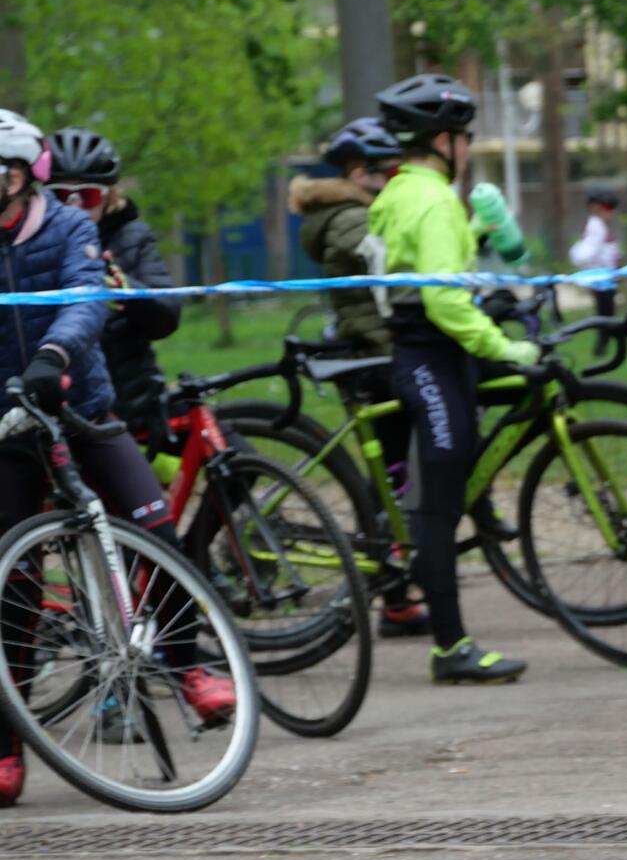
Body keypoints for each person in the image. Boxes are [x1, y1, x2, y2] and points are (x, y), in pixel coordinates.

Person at [0, 109, 234, 806]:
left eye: (1, 172)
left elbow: (86, 298)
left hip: (84, 408)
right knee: (14, 583)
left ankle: (188, 669)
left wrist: (54, 355)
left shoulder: (69, 225)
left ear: (28, 175)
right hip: (7, 424)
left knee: (155, 532)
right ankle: (6, 742)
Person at [369, 73, 538, 685]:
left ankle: (478, 504)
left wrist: (478, 234)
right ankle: (450, 648)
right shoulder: (436, 199)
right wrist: (503, 346)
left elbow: (430, 262)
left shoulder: (401, 190)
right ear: (444, 141)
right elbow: (443, 300)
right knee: (437, 509)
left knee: (457, 473)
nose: (468, 148)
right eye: (464, 137)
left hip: (421, 348)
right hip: (431, 354)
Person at [290, 116, 431, 639]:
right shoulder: (351, 215)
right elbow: (389, 266)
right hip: (376, 353)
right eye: (386, 171)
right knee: (391, 475)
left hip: (378, 348)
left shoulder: (350, 210)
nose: (394, 179)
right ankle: (390, 586)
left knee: (394, 471)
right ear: (357, 172)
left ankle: (396, 589)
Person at [45, 127, 182, 439]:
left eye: (88, 196)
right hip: (64, 406)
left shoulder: (132, 235)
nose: (74, 206)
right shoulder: (30, 244)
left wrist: (125, 288)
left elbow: (167, 317)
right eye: (60, 195)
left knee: (231, 453)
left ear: (108, 196)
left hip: (137, 401)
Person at [568, 186, 622, 316]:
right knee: (605, 316)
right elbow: (584, 255)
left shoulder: (599, 226)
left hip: (606, 278)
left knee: (606, 314)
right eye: (608, 207)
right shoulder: (596, 227)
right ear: (596, 207)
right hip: (602, 279)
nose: (611, 212)